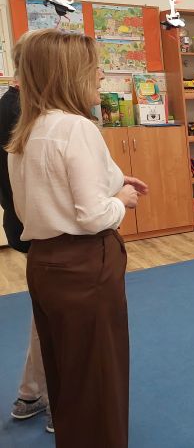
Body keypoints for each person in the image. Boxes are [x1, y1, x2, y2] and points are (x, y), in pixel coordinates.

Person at [7, 28, 147, 446]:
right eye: (95, 67)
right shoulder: (76, 127)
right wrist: (121, 200)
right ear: (68, 74)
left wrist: (114, 179)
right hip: (86, 264)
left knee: (66, 372)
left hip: (45, 262)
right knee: (99, 377)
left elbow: (35, 202)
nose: (101, 75)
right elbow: (93, 215)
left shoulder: (27, 131)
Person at [2, 78, 52, 433]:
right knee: (56, 317)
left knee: (46, 311)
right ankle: (57, 400)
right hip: (44, 229)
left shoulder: (13, 106)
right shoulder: (24, 111)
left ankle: (32, 392)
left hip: (27, 223)